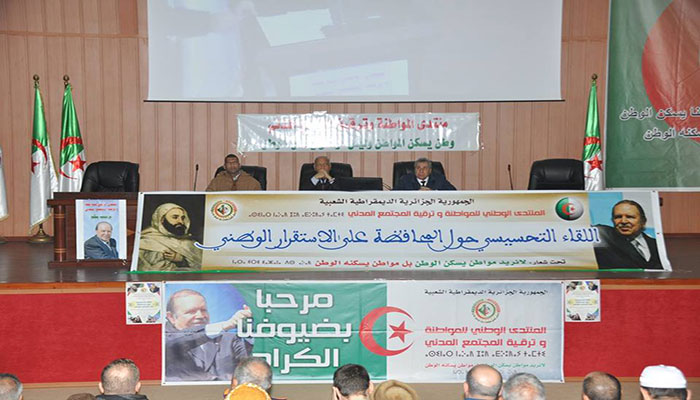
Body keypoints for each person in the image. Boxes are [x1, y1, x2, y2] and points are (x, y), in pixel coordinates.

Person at [165, 289, 252, 381]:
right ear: (171, 317)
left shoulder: (229, 340)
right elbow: (174, 342)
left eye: (203, 310)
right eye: (191, 312)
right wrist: (224, 326)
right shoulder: (164, 340)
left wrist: (252, 326)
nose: (200, 316)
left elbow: (249, 369)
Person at [594, 200, 662, 269]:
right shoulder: (604, 237)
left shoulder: (657, 245)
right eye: (618, 217)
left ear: (643, 221)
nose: (623, 221)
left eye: (630, 217)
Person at [137, 203, 202, 271]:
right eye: (175, 217)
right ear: (162, 219)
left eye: (182, 218)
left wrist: (182, 260)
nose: (181, 222)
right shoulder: (146, 240)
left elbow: (201, 266)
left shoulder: (189, 243)